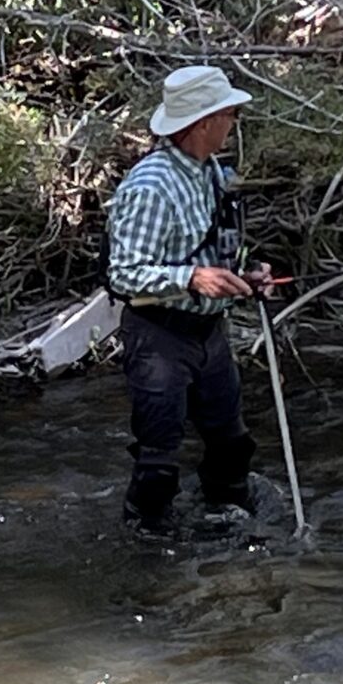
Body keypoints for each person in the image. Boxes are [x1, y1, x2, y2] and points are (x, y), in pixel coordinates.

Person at [106, 65, 273, 538]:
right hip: (159, 336)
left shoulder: (209, 174)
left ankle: (230, 527)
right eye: (229, 115)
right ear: (203, 123)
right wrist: (194, 279)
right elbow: (124, 272)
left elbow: (212, 248)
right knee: (159, 461)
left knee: (231, 446)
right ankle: (147, 548)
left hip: (208, 334)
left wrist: (247, 275)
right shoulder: (150, 187)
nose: (233, 122)